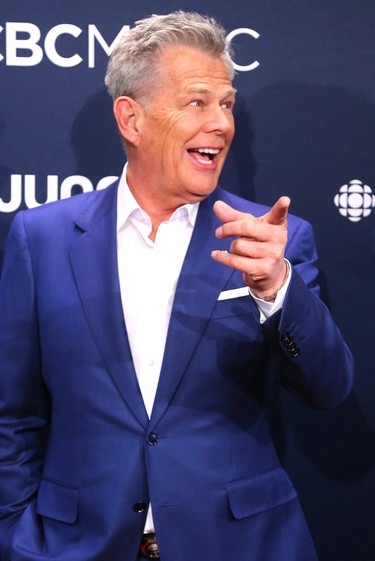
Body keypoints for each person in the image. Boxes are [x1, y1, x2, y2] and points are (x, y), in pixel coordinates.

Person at [0, 10, 353, 561]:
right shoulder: (40, 238)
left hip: (241, 545)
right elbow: (12, 415)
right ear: (131, 119)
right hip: (75, 546)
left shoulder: (273, 239)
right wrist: (16, 535)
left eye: (227, 104)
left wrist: (277, 290)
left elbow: (328, 389)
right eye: (197, 102)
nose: (222, 124)